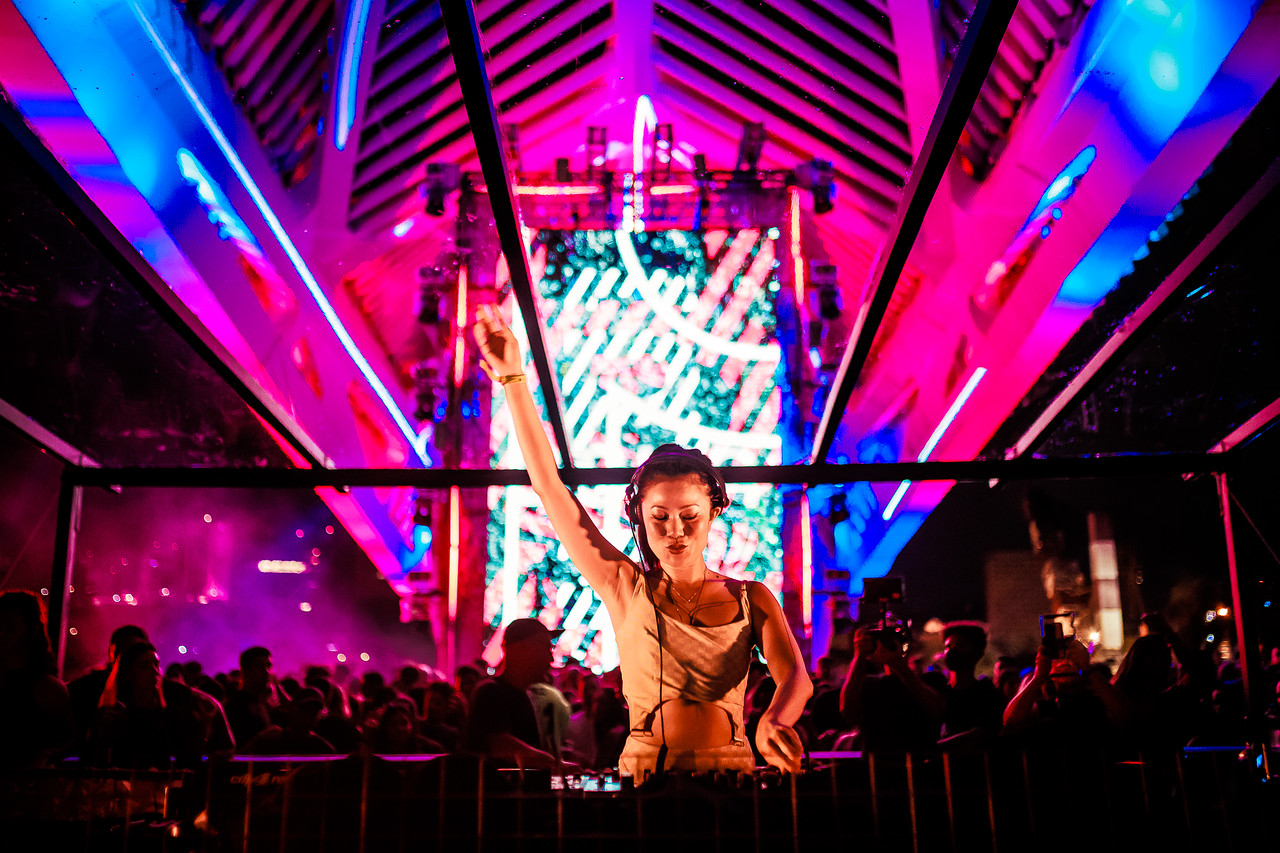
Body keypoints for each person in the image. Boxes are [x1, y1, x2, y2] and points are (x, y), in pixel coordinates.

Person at [473, 304, 812, 781]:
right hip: (646, 782)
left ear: (714, 511)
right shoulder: (625, 587)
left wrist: (776, 718)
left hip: (732, 780)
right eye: (659, 517)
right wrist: (513, 379)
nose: (675, 530)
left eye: (689, 516)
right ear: (639, 516)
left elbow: (795, 677)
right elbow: (549, 486)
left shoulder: (750, 597)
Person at [464, 618, 565, 768]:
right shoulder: (490, 693)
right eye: (545, 648)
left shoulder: (523, 696)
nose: (550, 658)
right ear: (519, 650)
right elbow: (502, 747)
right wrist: (554, 764)